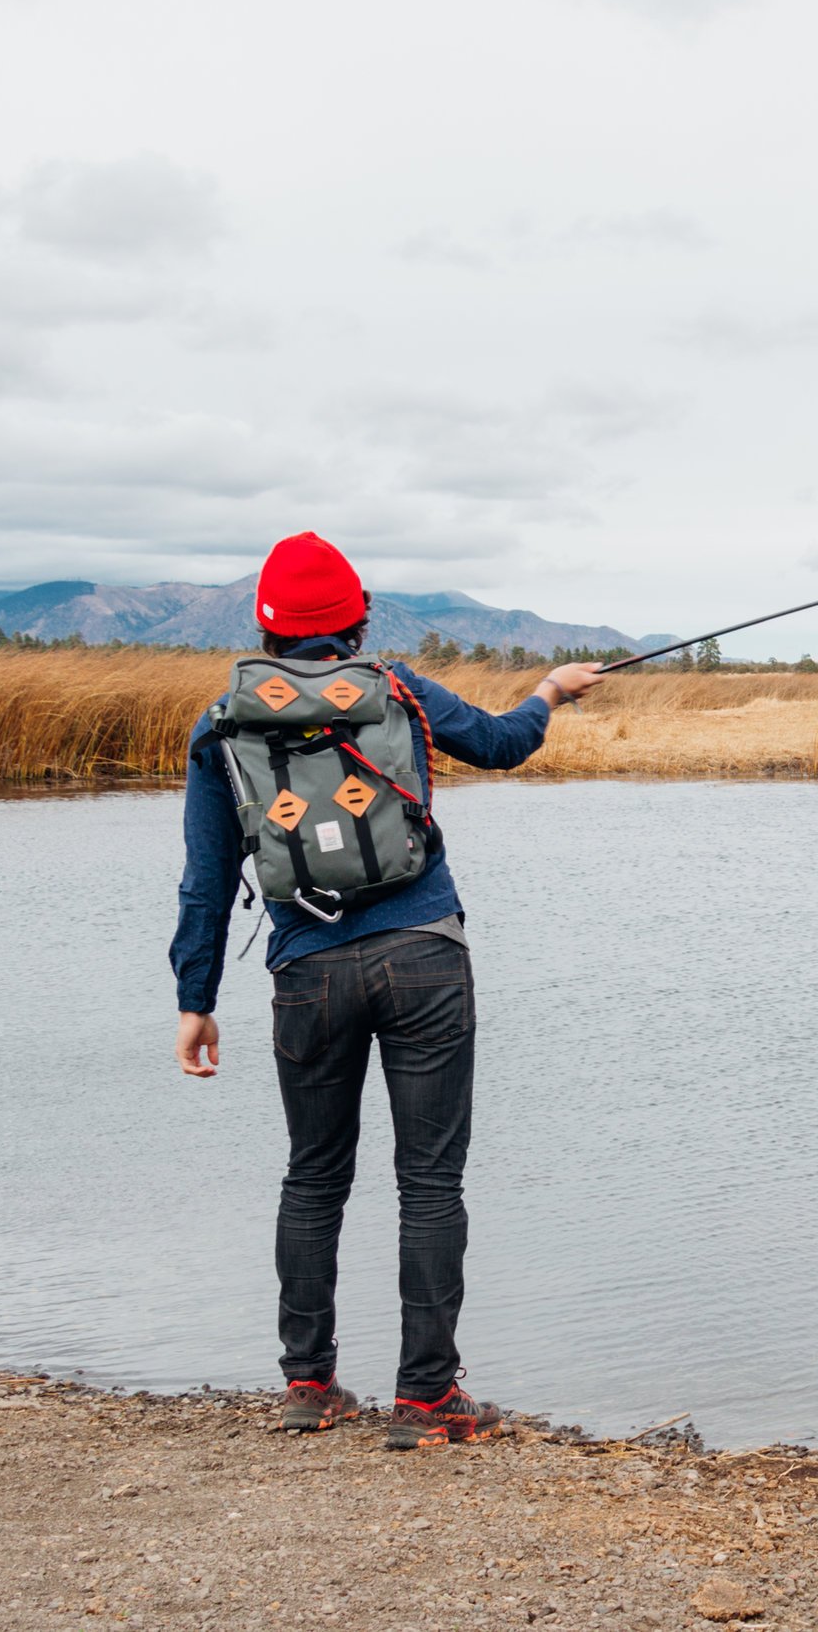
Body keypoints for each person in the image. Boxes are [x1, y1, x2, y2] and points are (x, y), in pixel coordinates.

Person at [169, 531, 603, 1448]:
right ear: (356, 621)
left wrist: (194, 998)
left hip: (306, 973)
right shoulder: (396, 687)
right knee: (430, 1181)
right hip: (424, 960)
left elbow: (207, 881)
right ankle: (427, 1398)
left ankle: (308, 1384)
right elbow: (503, 743)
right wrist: (551, 692)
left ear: (266, 626)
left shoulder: (222, 724)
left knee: (313, 1177)